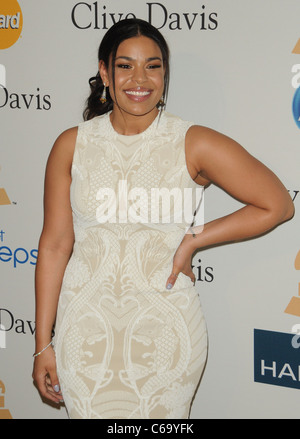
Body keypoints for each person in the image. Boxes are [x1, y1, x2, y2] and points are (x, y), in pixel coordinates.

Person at [32, 18, 294, 419]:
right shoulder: (72, 145)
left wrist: (195, 238)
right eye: (125, 65)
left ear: (165, 74)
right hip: (84, 334)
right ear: (104, 71)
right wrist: (42, 343)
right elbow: (54, 245)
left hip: (165, 335)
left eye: (153, 66)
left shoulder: (192, 141)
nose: (140, 78)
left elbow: (277, 203)